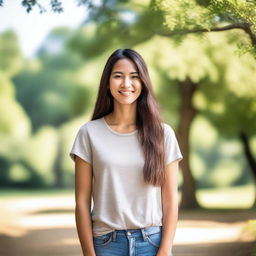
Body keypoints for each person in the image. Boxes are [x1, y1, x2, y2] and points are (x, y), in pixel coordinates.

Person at [69, 48, 183, 256]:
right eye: (118, 76)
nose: (126, 84)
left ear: (144, 83)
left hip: (152, 242)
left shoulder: (163, 134)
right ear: (107, 82)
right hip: (106, 244)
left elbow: (170, 200)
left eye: (134, 77)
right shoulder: (89, 133)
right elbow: (82, 202)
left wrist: (165, 249)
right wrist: (89, 254)